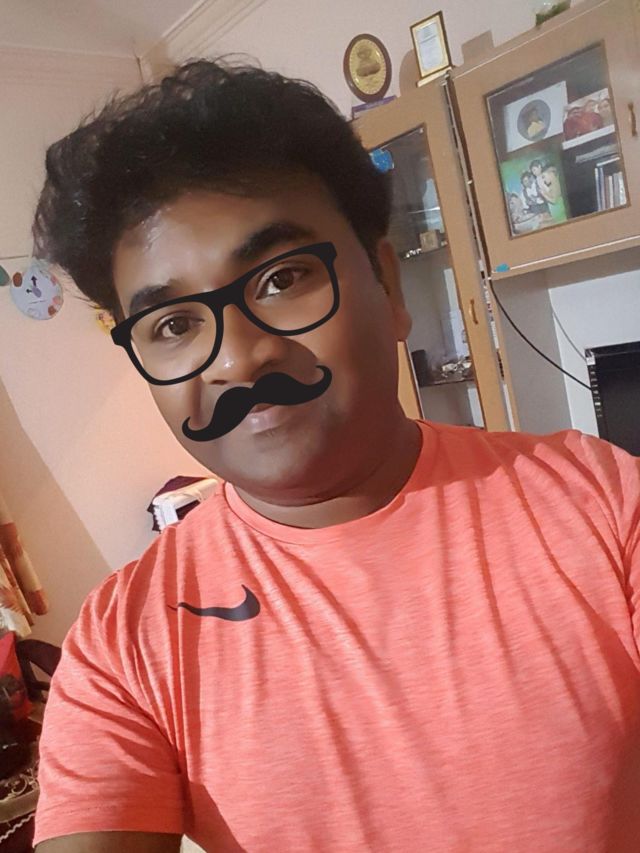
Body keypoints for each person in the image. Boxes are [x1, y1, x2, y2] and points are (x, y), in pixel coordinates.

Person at [31, 58, 640, 853]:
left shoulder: (599, 504)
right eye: (174, 325)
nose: (239, 357)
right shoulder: (125, 642)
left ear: (389, 286)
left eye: (282, 279)